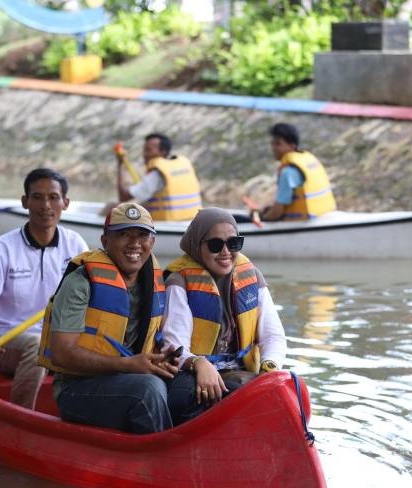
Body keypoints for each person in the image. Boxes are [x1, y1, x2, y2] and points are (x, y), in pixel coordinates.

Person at [37, 202, 179, 434]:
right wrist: (127, 365)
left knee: (187, 387)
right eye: (123, 234)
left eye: (142, 236)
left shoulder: (153, 280)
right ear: (105, 241)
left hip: (131, 376)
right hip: (77, 388)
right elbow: (62, 353)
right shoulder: (80, 282)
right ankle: (160, 463)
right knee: (148, 390)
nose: (134, 244)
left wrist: (162, 360)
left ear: (152, 242)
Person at [0, 168, 88, 410]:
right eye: (37, 197)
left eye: (53, 197)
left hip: (62, 340)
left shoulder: (76, 244)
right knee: (38, 344)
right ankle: (20, 417)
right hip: (11, 344)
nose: (45, 205)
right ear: (25, 202)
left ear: (65, 203)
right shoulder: (2, 248)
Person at [162, 207, 288, 425]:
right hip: (192, 372)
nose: (225, 252)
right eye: (215, 245)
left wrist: (269, 367)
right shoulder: (178, 282)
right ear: (197, 245)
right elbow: (174, 344)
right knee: (183, 398)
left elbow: (273, 336)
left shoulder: (252, 277)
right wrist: (198, 364)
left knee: (288, 391)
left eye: (233, 243)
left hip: (239, 371)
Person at [115, 133, 202, 221]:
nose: (144, 154)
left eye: (148, 150)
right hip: (190, 221)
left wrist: (120, 165)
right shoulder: (183, 165)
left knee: (113, 207)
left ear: (163, 152)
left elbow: (123, 196)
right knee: (142, 204)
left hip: (168, 224)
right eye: (144, 150)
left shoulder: (156, 175)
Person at [259, 123, 336, 221]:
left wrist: (262, 218)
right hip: (322, 215)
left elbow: (278, 211)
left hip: (303, 224)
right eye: (272, 143)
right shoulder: (308, 160)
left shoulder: (287, 173)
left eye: (278, 144)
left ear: (292, 146)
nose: (273, 148)